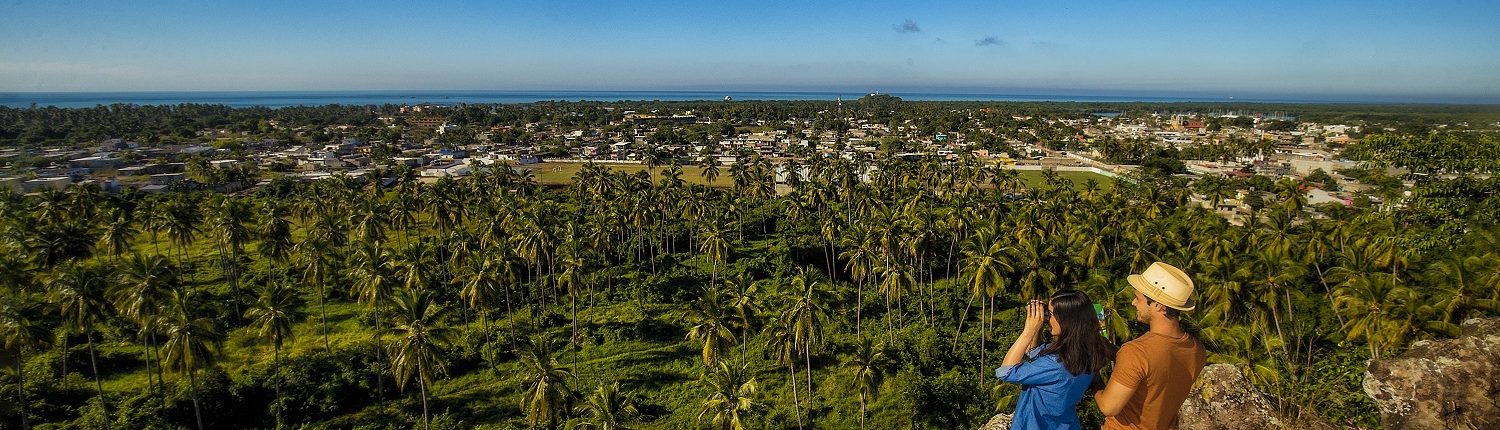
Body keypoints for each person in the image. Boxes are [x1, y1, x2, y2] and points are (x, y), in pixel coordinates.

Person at [1095, 261, 1208, 430]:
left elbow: (1108, 406)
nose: (1133, 302)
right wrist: (1117, 354)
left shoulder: (1137, 352)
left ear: (1159, 306)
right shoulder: (1197, 349)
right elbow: (1156, 376)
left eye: (1138, 298)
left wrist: (1094, 378)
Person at [996, 289, 1116, 430]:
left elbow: (1005, 372)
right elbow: (1034, 352)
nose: (1048, 318)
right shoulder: (1088, 353)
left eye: (1051, 314)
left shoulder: (1056, 365)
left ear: (1066, 320)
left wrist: (1028, 330)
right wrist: (1038, 327)